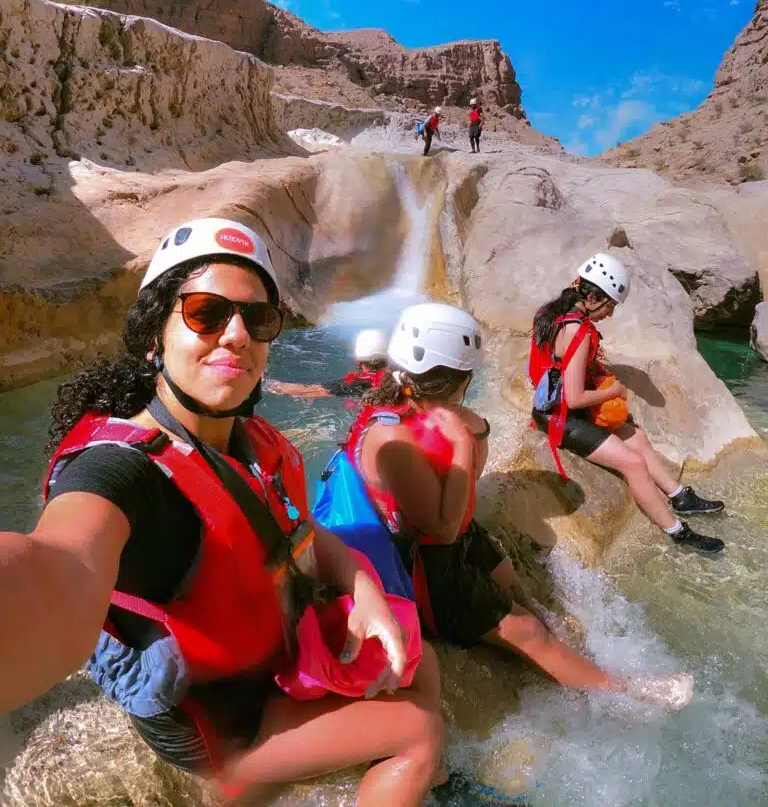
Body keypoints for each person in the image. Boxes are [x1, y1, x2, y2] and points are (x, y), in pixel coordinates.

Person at [0, 218, 444, 805]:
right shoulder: (122, 472)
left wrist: (360, 586)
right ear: (156, 334)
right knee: (418, 731)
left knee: (424, 661)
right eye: (206, 313)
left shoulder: (247, 438)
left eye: (256, 319)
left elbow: (297, 534)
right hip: (219, 725)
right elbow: (57, 563)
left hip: (264, 668)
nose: (236, 335)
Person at [343, 302, 693, 706]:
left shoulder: (408, 407)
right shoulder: (393, 443)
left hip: (443, 538)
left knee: (505, 571)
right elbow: (442, 528)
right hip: (423, 569)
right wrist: (461, 443)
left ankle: (557, 638)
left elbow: (463, 492)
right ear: (459, 380)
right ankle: (627, 694)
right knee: (526, 631)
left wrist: (469, 433)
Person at [530, 252, 725, 555]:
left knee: (638, 437)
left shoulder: (553, 312)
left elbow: (557, 366)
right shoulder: (579, 332)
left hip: (561, 408)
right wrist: (614, 391)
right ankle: (678, 532)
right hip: (562, 418)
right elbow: (576, 397)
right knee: (633, 465)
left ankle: (680, 496)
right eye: (610, 306)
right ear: (593, 297)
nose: (610, 314)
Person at [267, 329, 388, 402]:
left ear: (359, 360)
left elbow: (307, 391)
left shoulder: (359, 383)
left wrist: (270, 385)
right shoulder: (396, 377)